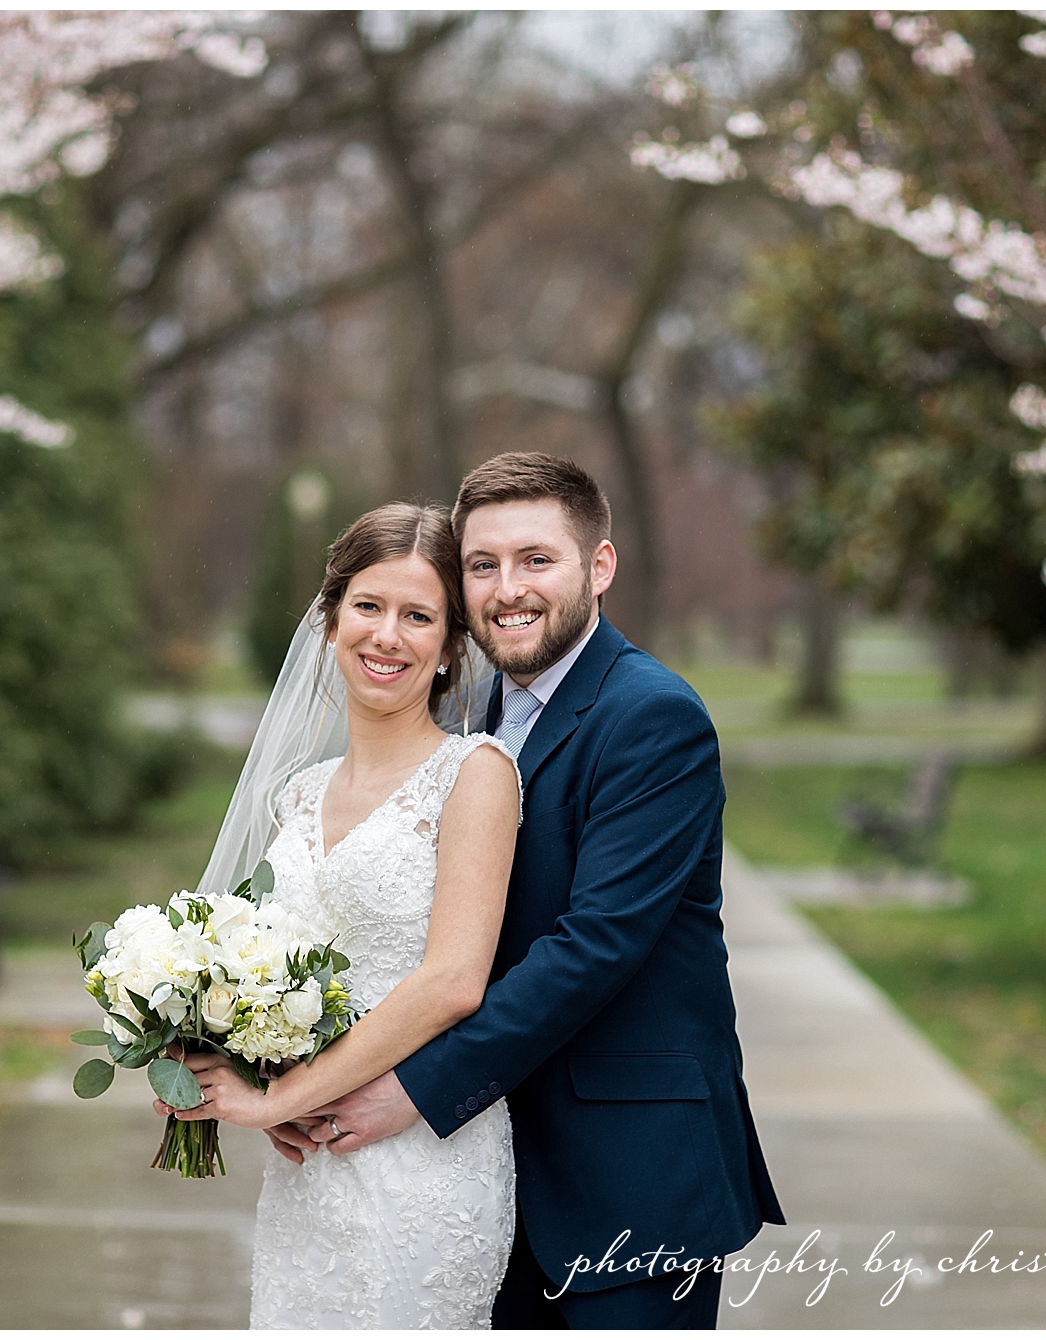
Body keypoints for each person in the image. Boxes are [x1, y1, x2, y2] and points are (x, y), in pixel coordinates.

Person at [280, 453, 784, 1327]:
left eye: (536, 560)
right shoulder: (470, 726)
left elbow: (595, 947)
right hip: (485, 1181)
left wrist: (414, 1087)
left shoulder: (652, 717)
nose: (507, 590)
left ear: (599, 567)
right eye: (483, 566)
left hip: (626, 1174)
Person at [162, 501, 524, 1328]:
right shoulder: (296, 794)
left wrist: (275, 1100)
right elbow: (261, 978)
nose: (387, 636)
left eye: (418, 615)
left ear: (449, 648)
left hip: (426, 1158)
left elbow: (453, 982)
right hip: (308, 1166)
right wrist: (237, 1073)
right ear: (330, 622)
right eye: (368, 606)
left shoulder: (475, 775)